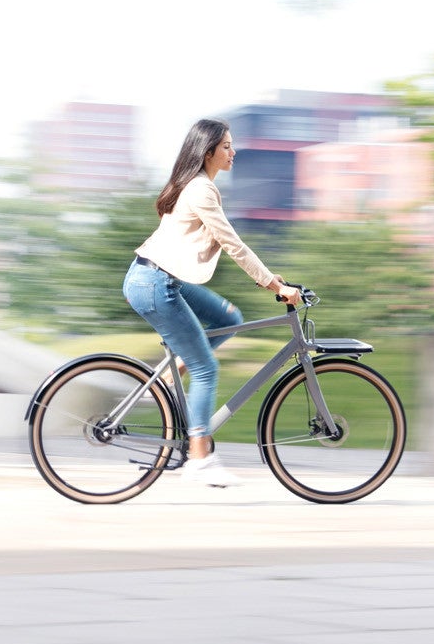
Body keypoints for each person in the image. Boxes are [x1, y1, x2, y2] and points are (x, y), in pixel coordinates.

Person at [125, 118, 302, 487]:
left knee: (228, 316)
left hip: (160, 277)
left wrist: (271, 279)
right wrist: (271, 283)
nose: (233, 152)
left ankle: (173, 370)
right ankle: (199, 457)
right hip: (155, 282)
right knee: (206, 368)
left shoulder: (194, 185)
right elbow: (232, 243)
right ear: (208, 152)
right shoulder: (201, 190)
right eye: (226, 147)